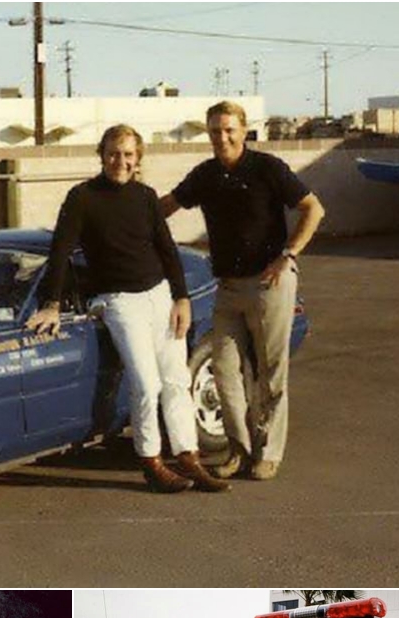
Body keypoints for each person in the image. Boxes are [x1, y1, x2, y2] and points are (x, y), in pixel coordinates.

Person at [27, 123, 229, 494]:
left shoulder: (146, 196)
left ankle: (188, 457)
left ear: (138, 159)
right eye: (114, 154)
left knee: (176, 381)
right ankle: (151, 461)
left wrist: (181, 298)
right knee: (146, 383)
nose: (121, 161)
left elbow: (167, 250)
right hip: (119, 302)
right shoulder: (82, 197)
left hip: (160, 296)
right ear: (102, 155)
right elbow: (60, 252)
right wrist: (52, 304)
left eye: (128, 155)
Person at [161, 101, 325, 481]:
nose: (223, 137)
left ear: (243, 129)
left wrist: (289, 255)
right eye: (216, 131)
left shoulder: (268, 169)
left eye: (229, 130)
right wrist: (129, 218)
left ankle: (268, 452)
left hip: (270, 284)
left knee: (270, 373)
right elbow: (167, 205)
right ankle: (238, 448)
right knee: (224, 370)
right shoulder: (205, 175)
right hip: (228, 288)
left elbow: (313, 209)